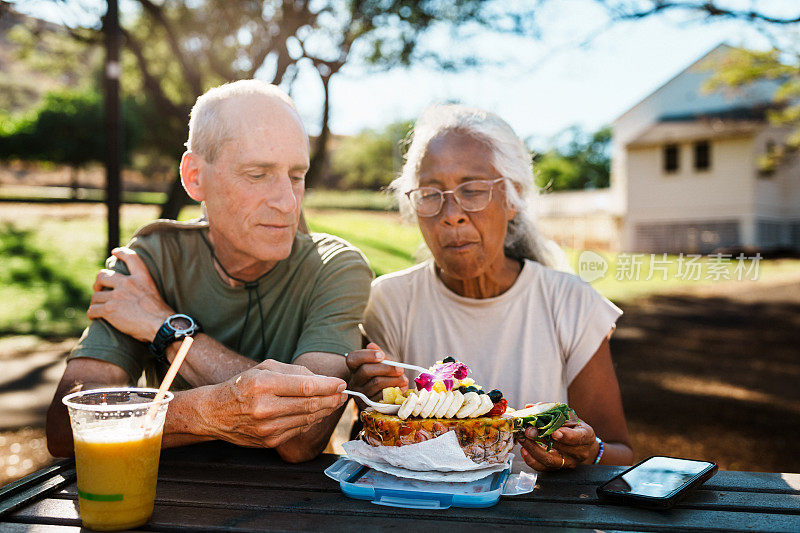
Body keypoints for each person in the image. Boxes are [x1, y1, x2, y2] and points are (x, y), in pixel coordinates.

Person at [46, 80, 373, 463]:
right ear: (194, 177)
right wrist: (204, 413)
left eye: (296, 176)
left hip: (297, 510)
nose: (288, 203)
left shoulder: (335, 266)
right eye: (257, 174)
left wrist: (166, 328)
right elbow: (67, 426)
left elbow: (301, 436)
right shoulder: (152, 258)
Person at [347, 104, 633, 471]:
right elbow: (377, 445)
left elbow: (620, 453)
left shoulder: (571, 303)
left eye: (473, 190)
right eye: (430, 194)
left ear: (512, 197)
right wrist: (370, 405)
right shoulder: (390, 302)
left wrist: (588, 453)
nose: (451, 213)